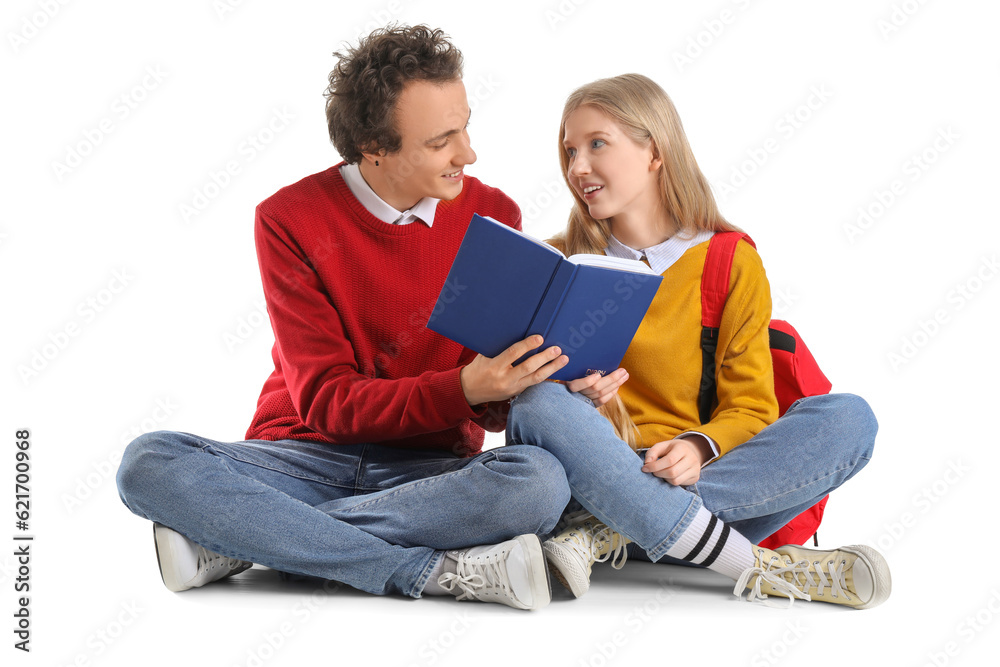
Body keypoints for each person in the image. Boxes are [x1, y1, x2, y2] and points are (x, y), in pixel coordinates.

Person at [114, 24, 602, 611]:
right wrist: (465, 385)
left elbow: (491, 398)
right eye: (440, 140)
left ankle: (253, 538)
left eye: (465, 125)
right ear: (375, 148)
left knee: (539, 484)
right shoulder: (290, 219)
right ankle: (429, 571)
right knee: (149, 462)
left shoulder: (491, 212)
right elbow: (328, 403)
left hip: (432, 472)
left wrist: (550, 378)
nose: (467, 153)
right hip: (304, 454)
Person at [506, 73, 891, 608]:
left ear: (655, 152)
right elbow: (524, 408)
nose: (577, 168)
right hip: (590, 477)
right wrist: (572, 395)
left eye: (597, 144)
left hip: (699, 483)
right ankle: (746, 562)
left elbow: (752, 408)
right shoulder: (556, 262)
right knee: (539, 403)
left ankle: (610, 529)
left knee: (850, 418)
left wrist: (697, 446)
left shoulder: (729, 261)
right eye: (570, 151)